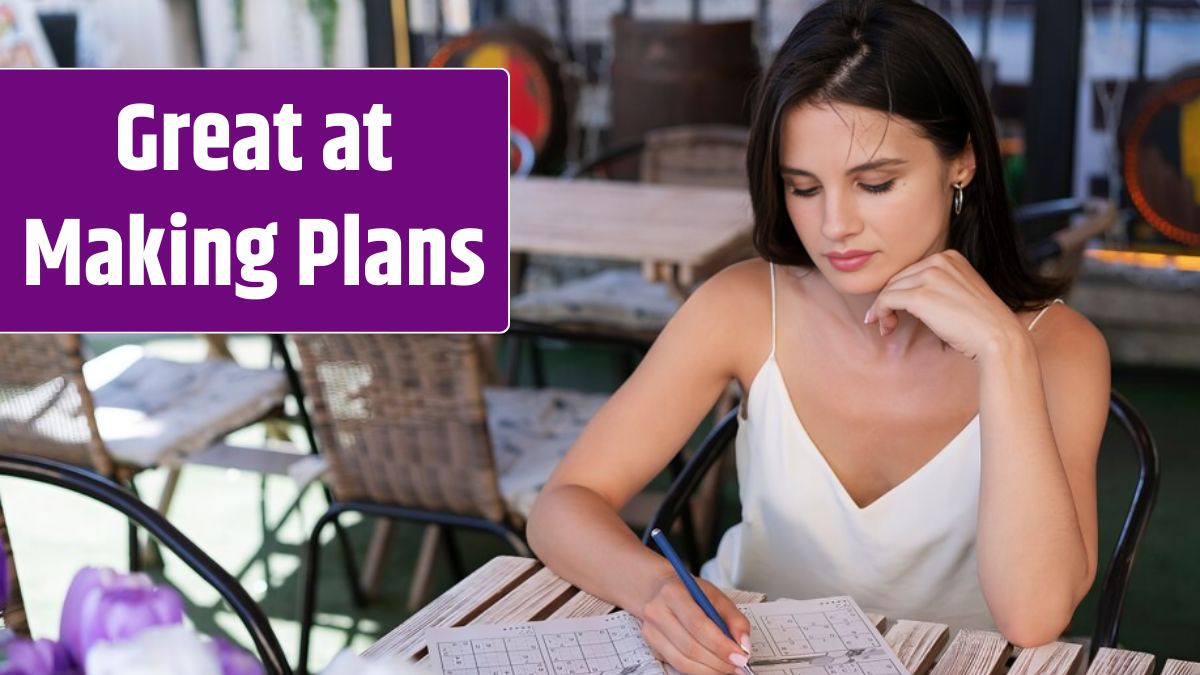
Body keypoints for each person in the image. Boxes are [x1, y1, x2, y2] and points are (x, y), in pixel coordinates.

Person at [526, 1, 1110, 673]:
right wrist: (657, 588)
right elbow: (563, 507)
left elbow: (1033, 614)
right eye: (804, 188)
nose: (834, 226)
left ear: (963, 162)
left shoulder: (1059, 348)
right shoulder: (745, 305)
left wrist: (1003, 352)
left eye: (876, 183)